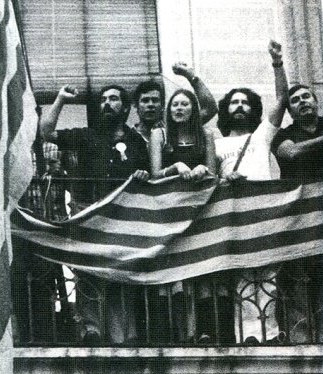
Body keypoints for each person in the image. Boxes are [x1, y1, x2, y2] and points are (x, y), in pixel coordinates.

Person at [40, 84, 150, 344]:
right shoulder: (86, 135)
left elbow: (147, 174)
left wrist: (142, 175)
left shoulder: (136, 142)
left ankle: (124, 333)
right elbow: (47, 132)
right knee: (89, 270)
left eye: (114, 99)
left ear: (125, 107)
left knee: (121, 270)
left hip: (124, 218)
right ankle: (91, 329)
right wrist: (60, 99)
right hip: (90, 214)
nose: (107, 104)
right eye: (103, 100)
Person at [272, 66, 323, 343]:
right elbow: (292, 152)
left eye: (307, 97)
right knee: (297, 275)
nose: (302, 102)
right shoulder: (285, 135)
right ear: (290, 109)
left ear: (316, 101)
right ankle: (300, 339)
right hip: (296, 217)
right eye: (295, 100)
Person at [213, 40, 289, 345]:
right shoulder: (217, 145)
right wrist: (225, 178)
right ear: (226, 110)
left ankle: (270, 333)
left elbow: (283, 99)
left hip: (263, 209)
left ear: (253, 109)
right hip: (234, 213)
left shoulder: (262, 135)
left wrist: (277, 62)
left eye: (245, 102)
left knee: (268, 271)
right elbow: (211, 182)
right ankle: (246, 335)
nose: (240, 106)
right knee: (242, 274)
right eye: (234, 102)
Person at [146, 88, 217, 342]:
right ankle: (175, 333)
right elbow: (154, 174)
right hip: (169, 211)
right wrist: (176, 167)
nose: (179, 108)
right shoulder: (159, 135)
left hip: (198, 211)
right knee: (172, 272)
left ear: (193, 110)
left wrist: (201, 168)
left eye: (185, 104)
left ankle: (204, 330)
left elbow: (213, 175)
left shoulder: (206, 135)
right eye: (174, 104)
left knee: (199, 268)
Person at [132, 62, 218, 143]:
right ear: (136, 105)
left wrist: (190, 76)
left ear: (162, 105)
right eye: (145, 100)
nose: (150, 105)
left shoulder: (175, 128)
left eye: (155, 100)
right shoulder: (129, 136)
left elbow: (210, 109)